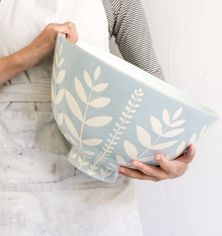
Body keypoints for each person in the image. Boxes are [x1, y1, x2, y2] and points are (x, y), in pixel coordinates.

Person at [0, 0, 196, 235]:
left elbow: (157, 96)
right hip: (11, 187)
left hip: (101, 190)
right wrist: (30, 54)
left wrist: (173, 162)